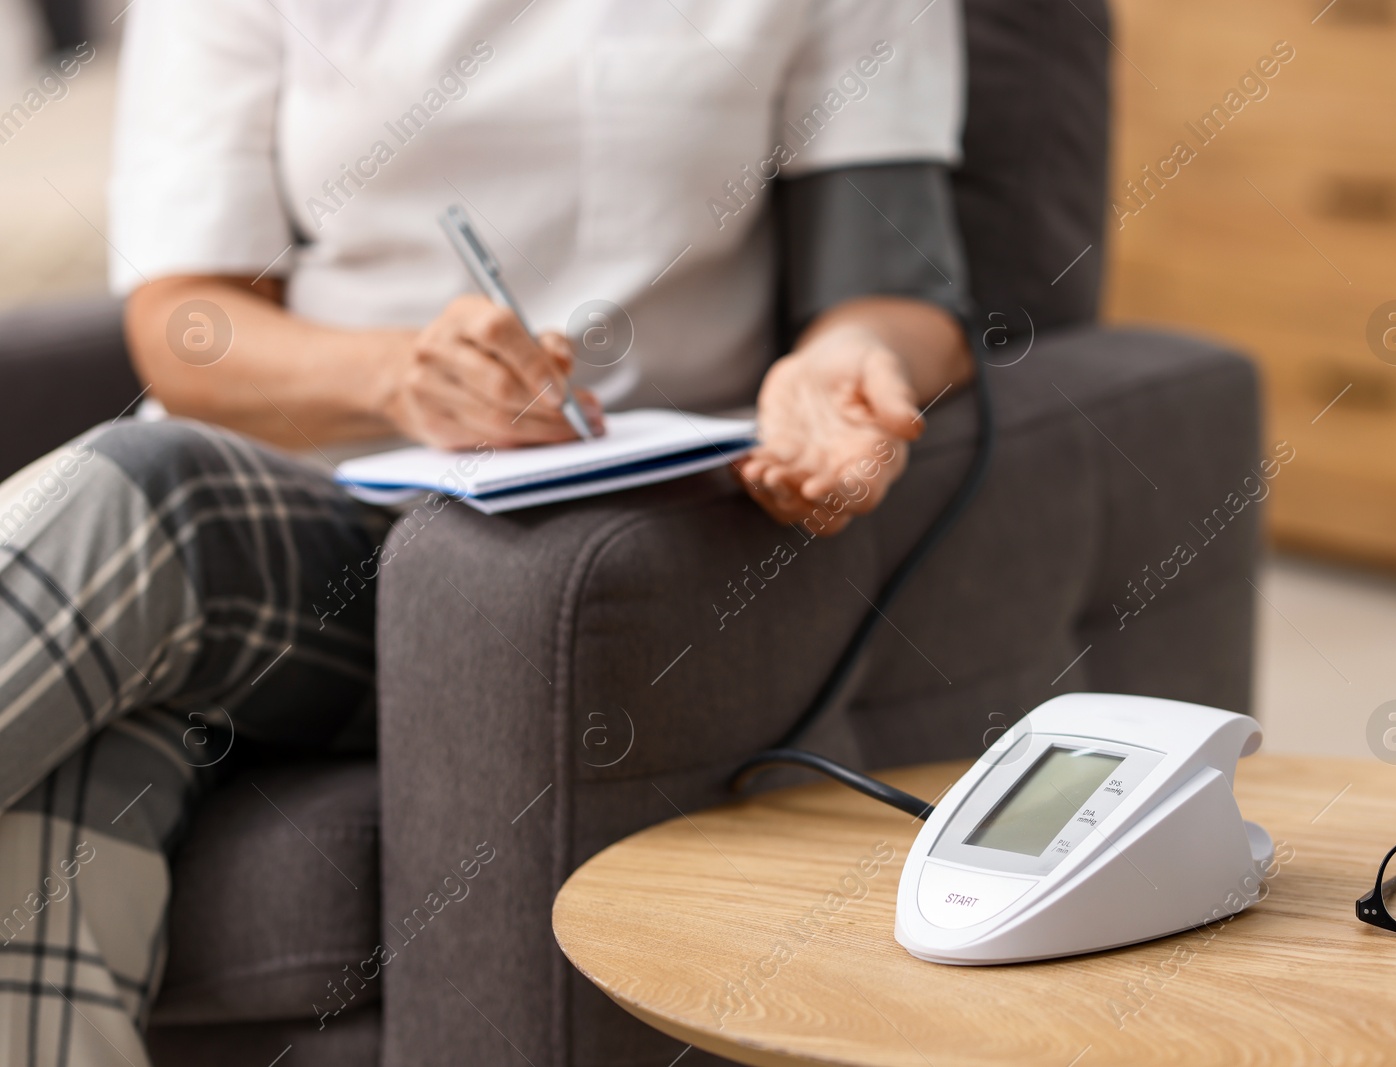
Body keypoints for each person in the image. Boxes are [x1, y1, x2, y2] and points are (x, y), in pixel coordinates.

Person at [0, 1, 973, 1062]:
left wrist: (840, 377)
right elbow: (185, 327)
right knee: (52, 829)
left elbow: (892, 291)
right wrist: (391, 373)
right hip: (289, 503)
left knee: (144, 493)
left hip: (555, 563)